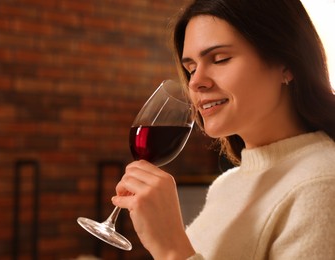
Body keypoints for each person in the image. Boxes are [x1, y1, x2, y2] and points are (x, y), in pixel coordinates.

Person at [111, 0, 335, 259]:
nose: (195, 82)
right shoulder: (226, 185)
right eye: (191, 68)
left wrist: (171, 249)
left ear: (287, 63)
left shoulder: (321, 184)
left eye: (220, 59)